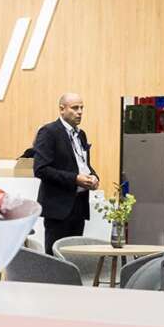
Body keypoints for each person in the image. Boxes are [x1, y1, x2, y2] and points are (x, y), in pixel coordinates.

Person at [33, 93, 99, 253]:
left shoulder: (81, 134)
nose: (80, 112)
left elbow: (83, 164)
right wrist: (75, 179)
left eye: (82, 108)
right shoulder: (49, 132)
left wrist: (94, 177)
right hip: (58, 207)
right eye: (75, 108)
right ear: (62, 109)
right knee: (56, 258)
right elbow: (41, 169)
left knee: (74, 256)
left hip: (79, 206)